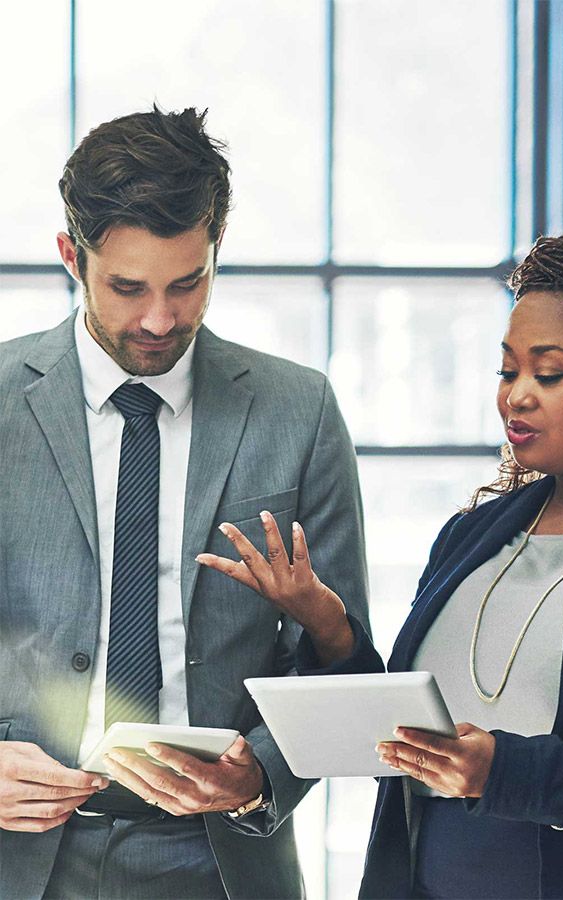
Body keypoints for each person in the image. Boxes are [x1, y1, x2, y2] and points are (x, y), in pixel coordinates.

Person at [199, 233, 563, 899]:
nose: (517, 398)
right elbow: (402, 735)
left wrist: (505, 771)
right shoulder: (474, 534)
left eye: (549, 374)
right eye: (508, 373)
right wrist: (326, 625)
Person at [0, 106, 370, 900]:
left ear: (215, 252)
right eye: (127, 288)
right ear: (73, 256)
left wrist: (261, 773)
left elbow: (344, 658)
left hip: (222, 861)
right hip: (18, 855)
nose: (160, 320)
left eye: (188, 282)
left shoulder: (297, 411)